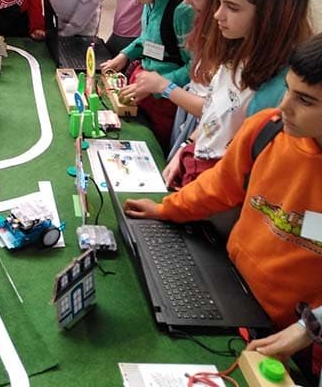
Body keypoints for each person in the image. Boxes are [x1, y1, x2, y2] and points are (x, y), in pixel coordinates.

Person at [125, 32, 322, 382]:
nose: (284, 107)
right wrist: (165, 209)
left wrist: (310, 327)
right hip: (233, 294)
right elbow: (218, 187)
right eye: (288, 89)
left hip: (297, 338)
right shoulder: (266, 130)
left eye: (305, 100)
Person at [157, 0, 312, 189]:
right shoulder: (235, 52)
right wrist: (186, 148)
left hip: (223, 189)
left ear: (271, 14)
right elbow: (213, 114)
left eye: (233, 8)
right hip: (201, 173)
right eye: (220, 3)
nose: (218, 15)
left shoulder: (282, 87)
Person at [133, 0, 249, 158]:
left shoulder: (239, 54)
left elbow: (215, 112)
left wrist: (163, 85)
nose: (186, 2)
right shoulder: (216, 34)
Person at [100, 0, 194, 151]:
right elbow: (149, 37)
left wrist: (160, 85)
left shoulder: (183, 10)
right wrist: (125, 55)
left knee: (154, 148)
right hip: (144, 84)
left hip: (166, 101)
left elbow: (195, 68)